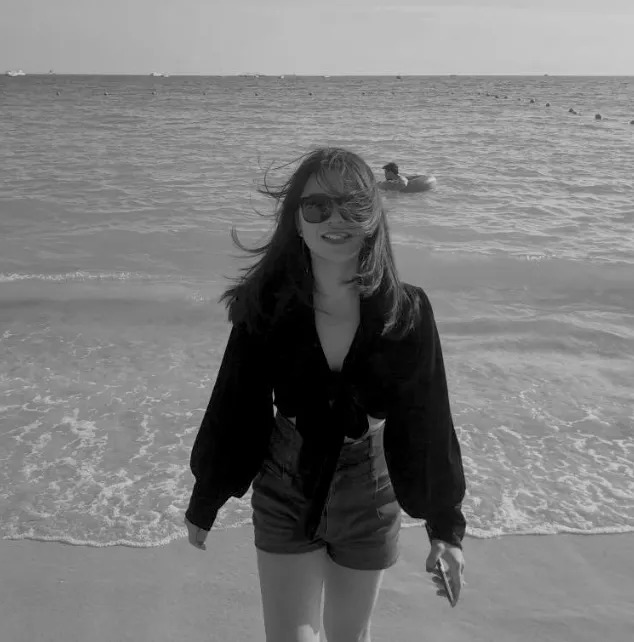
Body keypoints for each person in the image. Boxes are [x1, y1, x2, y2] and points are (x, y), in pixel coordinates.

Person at [184, 147, 466, 642]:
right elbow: (237, 403)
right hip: (285, 482)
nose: (335, 219)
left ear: (373, 217)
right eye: (317, 206)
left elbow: (426, 419)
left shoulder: (407, 310)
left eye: (352, 205)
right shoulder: (266, 305)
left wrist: (445, 529)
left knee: (348, 637)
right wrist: (207, 496)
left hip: (369, 491)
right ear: (296, 219)